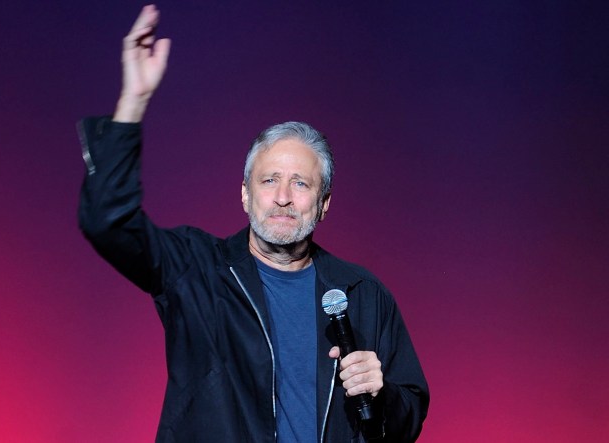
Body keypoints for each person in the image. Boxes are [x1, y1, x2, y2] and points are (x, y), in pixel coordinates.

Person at [77, 5, 429, 442]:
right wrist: (133, 102)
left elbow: (408, 418)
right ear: (245, 194)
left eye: (300, 183)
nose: (283, 197)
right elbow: (106, 222)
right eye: (269, 180)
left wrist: (382, 394)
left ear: (324, 204)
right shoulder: (196, 271)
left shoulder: (363, 295)